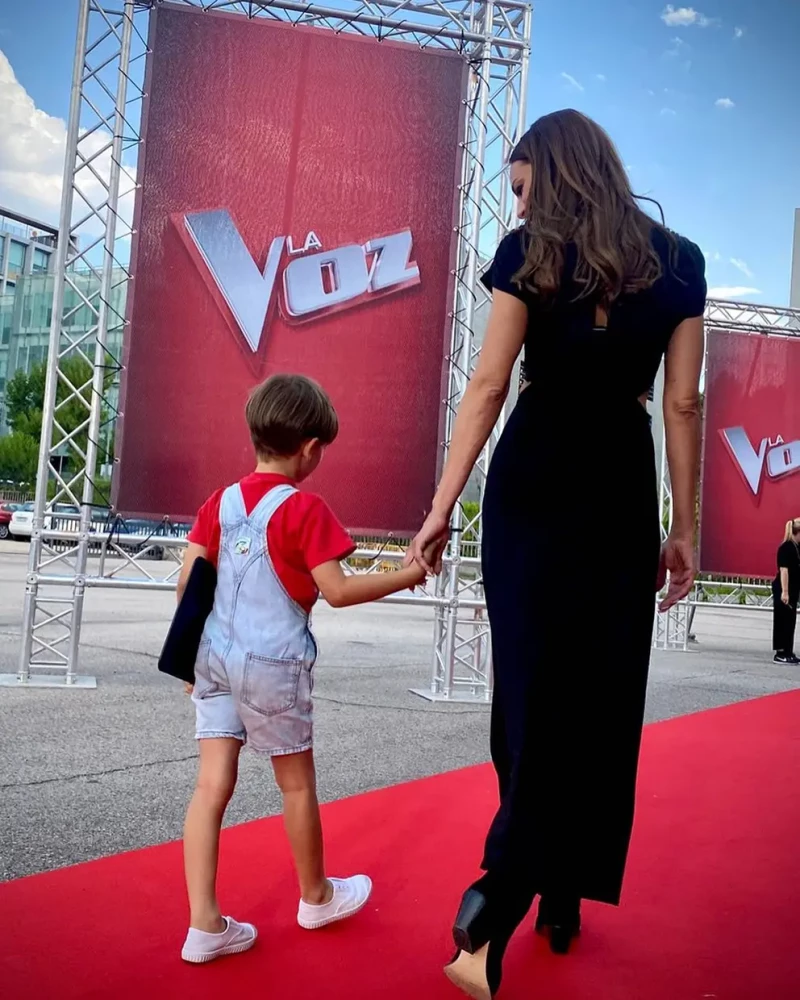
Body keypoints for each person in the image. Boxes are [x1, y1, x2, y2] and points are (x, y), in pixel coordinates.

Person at [407, 109, 706, 998]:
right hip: (618, 479)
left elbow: (490, 384)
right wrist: (683, 528)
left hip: (533, 478)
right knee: (602, 698)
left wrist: (442, 502)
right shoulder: (680, 260)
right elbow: (682, 407)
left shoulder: (528, 250)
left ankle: (503, 891)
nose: (520, 195)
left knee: (533, 691)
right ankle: (557, 890)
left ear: (551, 166)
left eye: (522, 178)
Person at [177, 373, 428, 964]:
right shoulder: (305, 509)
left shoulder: (220, 502)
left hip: (212, 660)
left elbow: (190, 580)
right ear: (311, 449)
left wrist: (189, 658)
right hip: (274, 669)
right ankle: (315, 896)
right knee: (295, 785)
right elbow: (336, 591)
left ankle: (204, 924)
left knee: (210, 788)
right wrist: (410, 575)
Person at [772, 518, 800, 665]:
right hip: (783, 588)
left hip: (794, 589)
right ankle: (781, 652)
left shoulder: (797, 547)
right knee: (783, 620)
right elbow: (784, 571)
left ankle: (789, 651)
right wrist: (785, 592)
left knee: (791, 621)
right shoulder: (786, 547)